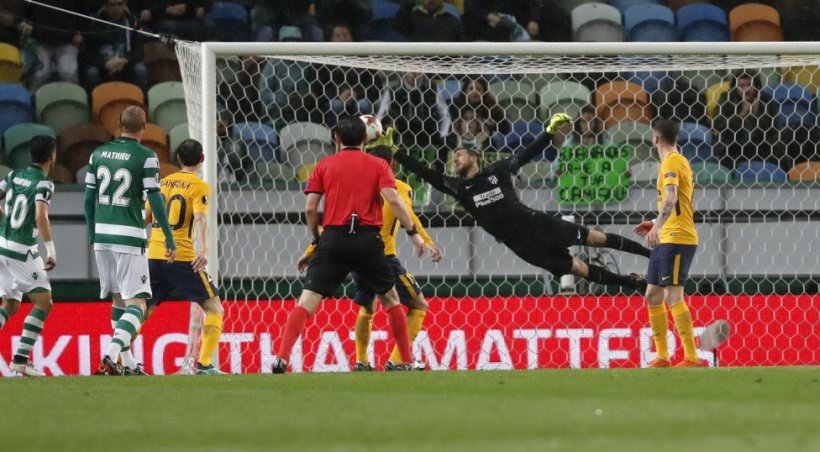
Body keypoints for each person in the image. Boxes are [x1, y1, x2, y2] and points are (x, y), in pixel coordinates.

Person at [383, 113, 651, 293]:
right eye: (454, 156)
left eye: (460, 154)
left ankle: (650, 255)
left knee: (595, 239)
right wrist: (396, 153)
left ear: (475, 157)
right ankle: (633, 284)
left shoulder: (497, 171)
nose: (456, 159)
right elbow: (425, 173)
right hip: (522, 246)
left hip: (538, 224)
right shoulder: (459, 188)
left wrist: (548, 132)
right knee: (578, 268)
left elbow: (525, 155)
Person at [271, 116, 426, 374]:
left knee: (307, 300)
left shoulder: (323, 165)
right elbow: (395, 201)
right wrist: (412, 232)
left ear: (337, 139)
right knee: (391, 300)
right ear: (365, 139)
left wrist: (316, 240)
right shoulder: (378, 165)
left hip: (334, 238)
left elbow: (310, 208)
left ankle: (282, 358)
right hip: (368, 240)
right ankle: (406, 360)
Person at [296, 145, 442, 372]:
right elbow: (406, 213)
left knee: (367, 306)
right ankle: (399, 360)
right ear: (392, 165)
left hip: (355, 254)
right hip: (382, 256)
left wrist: (311, 250)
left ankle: (362, 361)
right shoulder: (399, 188)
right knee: (418, 304)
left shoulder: (356, 188)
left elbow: (335, 225)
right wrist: (424, 239)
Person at [85, 106, 176, 376]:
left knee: (118, 301)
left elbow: (88, 198)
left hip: (102, 235)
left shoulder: (97, 154)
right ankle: (110, 356)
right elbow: (155, 198)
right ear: (143, 127)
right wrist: (168, 235)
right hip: (129, 236)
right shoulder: (147, 156)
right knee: (138, 304)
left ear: (119, 126)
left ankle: (130, 364)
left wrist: (92, 232)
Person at [143, 139, 225, 375]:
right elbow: (200, 217)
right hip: (181, 258)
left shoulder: (162, 182)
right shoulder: (199, 186)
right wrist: (205, 249)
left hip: (155, 254)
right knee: (214, 308)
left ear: (178, 158)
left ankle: (116, 357)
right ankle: (205, 364)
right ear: (202, 159)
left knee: (144, 310)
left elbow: (147, 217)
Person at [633, 119, 701, 368]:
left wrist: (657, 226)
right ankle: (662, 356)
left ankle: (691, 357)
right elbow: (679, 202)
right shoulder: (676, 161)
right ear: (678, 138)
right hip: (667, 235)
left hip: (677, 238)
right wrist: (654, 221)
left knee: (673, 296)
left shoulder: (671, 162)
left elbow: (671, 197)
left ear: (655, 139)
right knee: (652, 294)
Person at [0, 136, 58, 377]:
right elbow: (40, 217)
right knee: (44, 303)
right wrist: (51, 250)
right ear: (52, 156)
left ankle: (20, 361)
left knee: (11, 305)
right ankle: (21, 360)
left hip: (2, 245)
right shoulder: (44, 184)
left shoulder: (14, 176)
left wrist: (4, 217)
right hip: (21, 250)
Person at [83, 0, 147, 91]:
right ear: (105, 6)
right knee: (91, 73)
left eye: (120, 4)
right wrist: (104, 64)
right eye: (112, 5)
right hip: (103, 65)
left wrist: (124, 61)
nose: (116, 8)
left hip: (125, 63)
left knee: (140, 70)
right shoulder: (95, 24)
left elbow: (138, 50)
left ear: (125, 5)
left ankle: (142, 103)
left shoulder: (134, 22)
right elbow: (90, 53)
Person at [396, 0, 462, 42]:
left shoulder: (452, 21)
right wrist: (409, 3)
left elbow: (462, 46)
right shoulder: (412, 17)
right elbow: (398, 28)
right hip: (417, 61)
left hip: (444, 62)